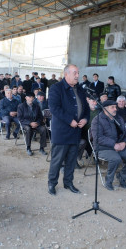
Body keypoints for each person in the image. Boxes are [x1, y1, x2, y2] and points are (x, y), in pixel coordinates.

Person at [48, 64, 90, 196]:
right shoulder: (56, 88)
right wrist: (69, 120)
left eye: (78, 73)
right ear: (66, 74)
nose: (78, 75)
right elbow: (54, 108)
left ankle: (68, 182)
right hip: (62, 132)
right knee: (57, 160)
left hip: (76, 131)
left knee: (72, 160)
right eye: (75, 73)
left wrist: (85, 119)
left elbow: (86, 108)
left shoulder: (80, 89)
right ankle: (52, 183)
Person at [91, 100, 126, 190]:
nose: (115, 109)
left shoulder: (118, 118)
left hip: (119, 146)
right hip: (103, 148)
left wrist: (124, 143)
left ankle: (122, 176)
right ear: (105, 109)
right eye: (112, 107)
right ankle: (108, 180)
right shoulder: (97, 120)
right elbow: (98, 138)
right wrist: (114, 144)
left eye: (115, 107)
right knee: (116, 159)